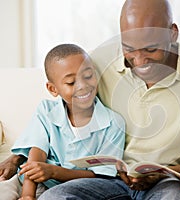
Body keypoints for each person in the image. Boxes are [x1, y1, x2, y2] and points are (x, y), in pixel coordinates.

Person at [37, 0, 180, 199]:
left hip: (168, 183)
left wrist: (158, 174)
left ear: (173, 33)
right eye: (129, 48)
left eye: (151, 49)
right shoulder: (96, 65)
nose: (140, 60)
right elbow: (55, 115)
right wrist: (19, 157)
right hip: (106, 178)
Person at [1, 43, 126, 200]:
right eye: (71, 82)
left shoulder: (113, 123)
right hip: (33, 182)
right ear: (53, 89)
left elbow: (101, 175)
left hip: (77, 187)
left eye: (88, 76)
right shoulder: (46, 111)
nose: (83, 86)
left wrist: (54, 172)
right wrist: (27, 195)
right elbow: (37, 154)